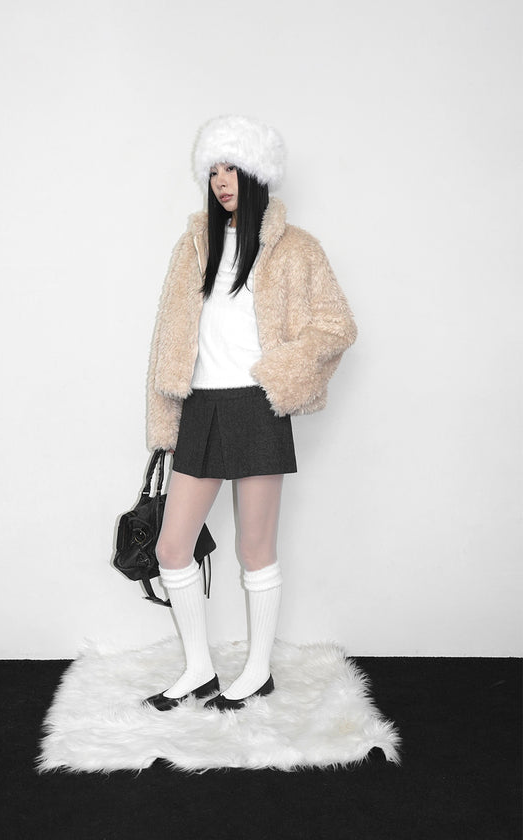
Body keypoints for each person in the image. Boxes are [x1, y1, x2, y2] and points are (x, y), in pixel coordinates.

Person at [144, 115, 357, 712]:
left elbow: (337, 326)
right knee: (171, 548)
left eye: (231, 168)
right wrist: (165, 417)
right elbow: (167, 339)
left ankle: (258, 670)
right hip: (201, 406)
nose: (220, 181)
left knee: (254, 549)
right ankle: (198, 669)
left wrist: (279, 374)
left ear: (257, 173)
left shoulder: (296, 248)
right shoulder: (194, 248)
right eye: (212, 171)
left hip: (256, 406)